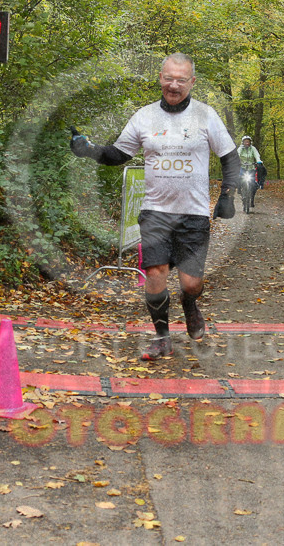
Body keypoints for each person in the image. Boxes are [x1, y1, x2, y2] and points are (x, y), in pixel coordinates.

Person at [70, 53, 239, 360]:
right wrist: (89, 150)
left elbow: (229, 156)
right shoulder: (144, 116)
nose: (173, 86)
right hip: (155, 212)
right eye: (168, 78)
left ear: (192, 82)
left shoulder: (206, 115)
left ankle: (189, 304)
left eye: (181, 80)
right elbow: (118, 154)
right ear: (160, 77)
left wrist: (227, 195)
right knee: (156, 272)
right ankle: (162, 337)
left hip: (193, 214)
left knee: (191, 283)